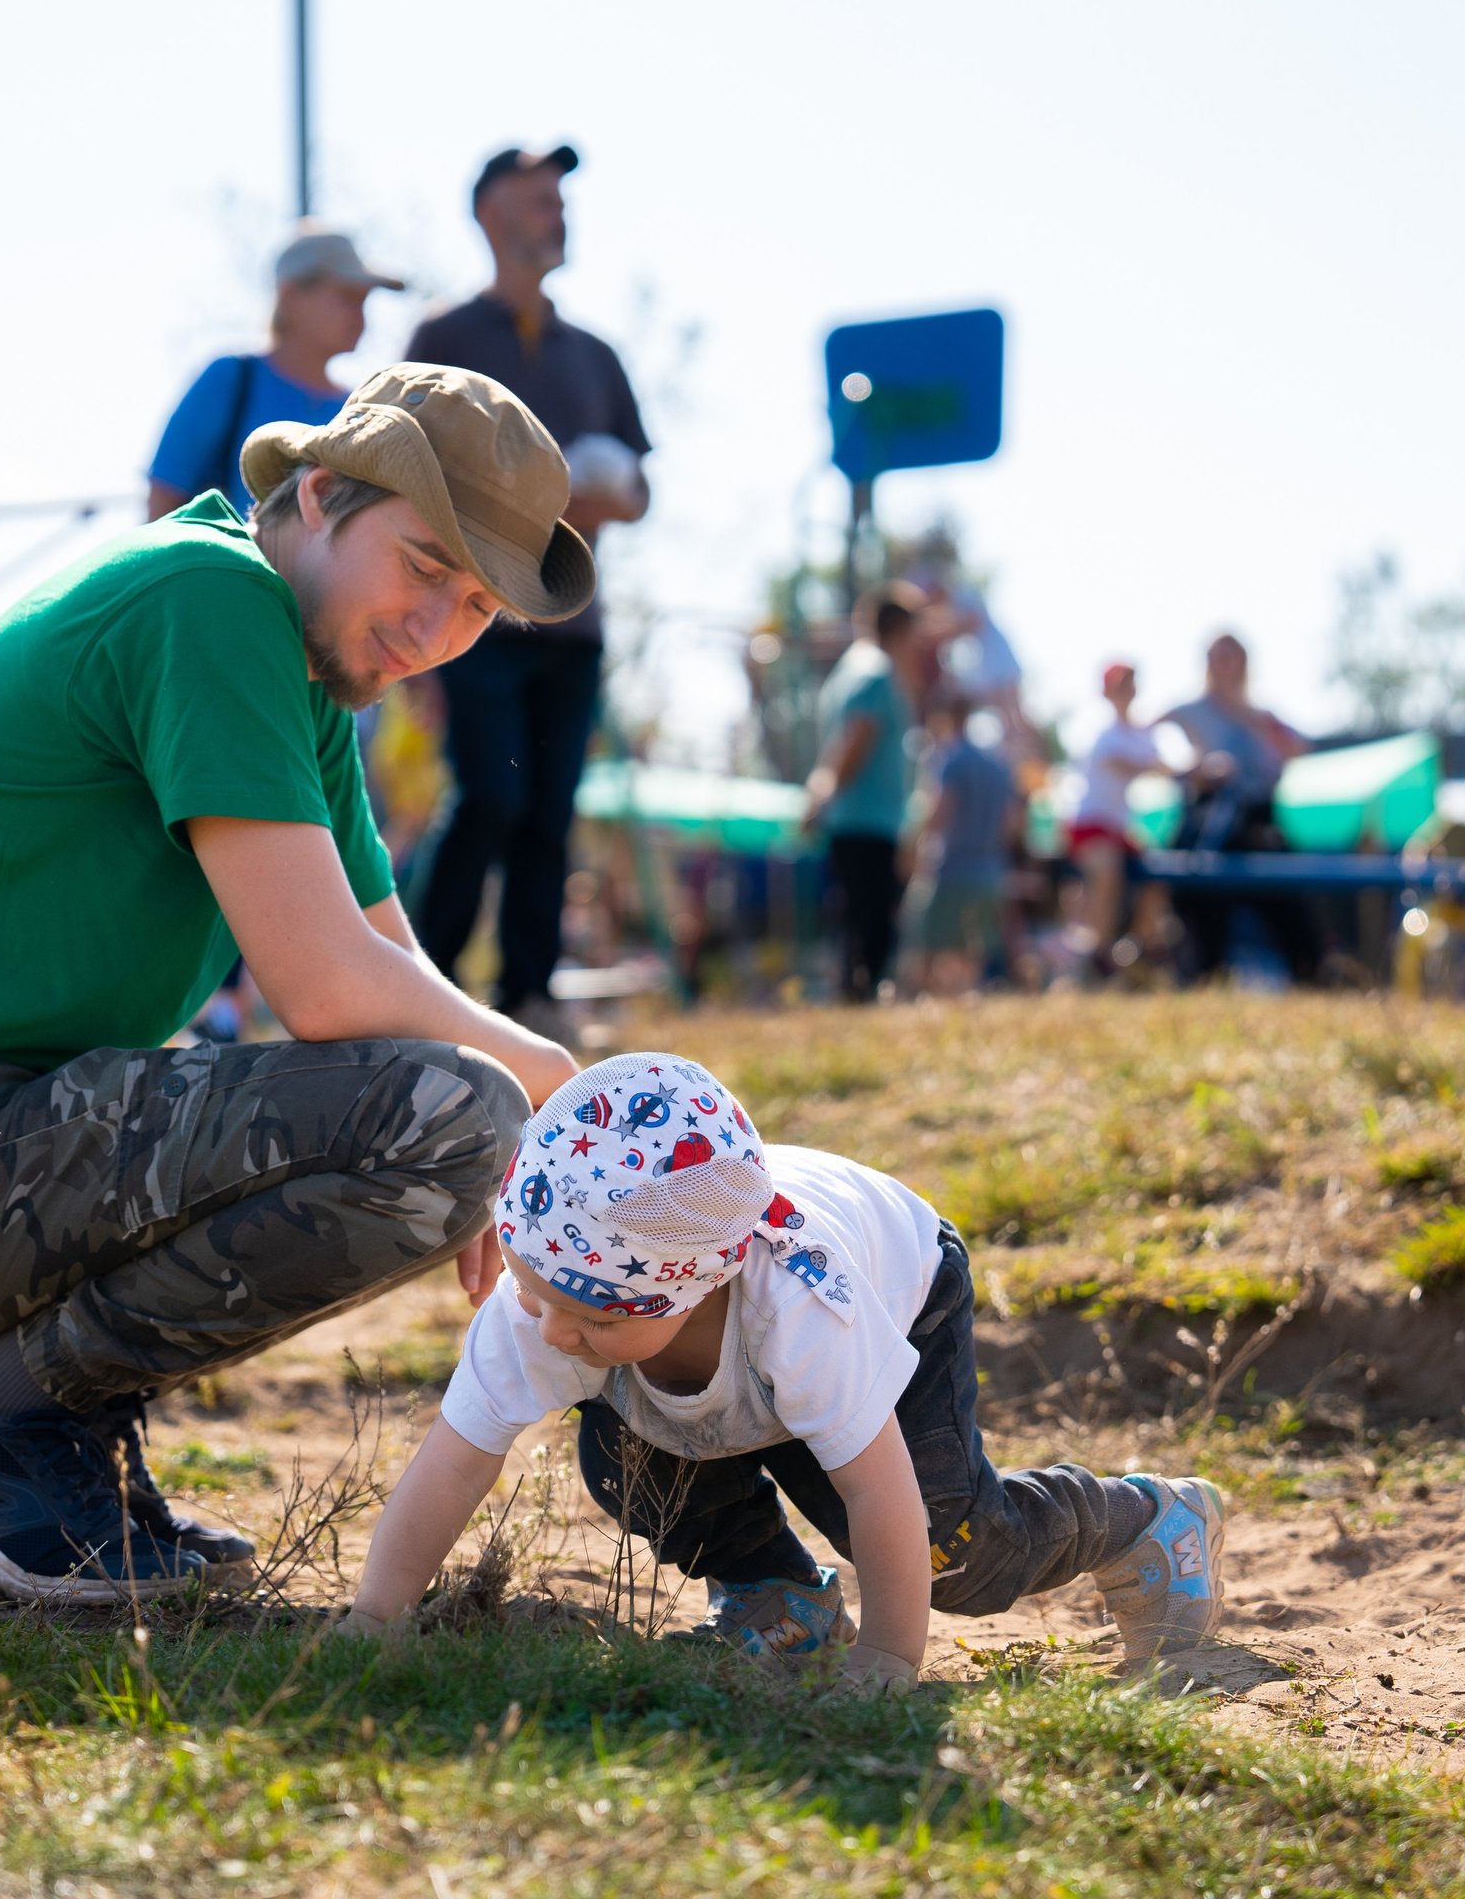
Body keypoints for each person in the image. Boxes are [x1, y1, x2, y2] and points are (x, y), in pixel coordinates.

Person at [0, 364, 593, 1604]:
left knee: (465, 1109)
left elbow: (390, 962)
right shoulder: (212, 598)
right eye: (423, 567)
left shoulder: (301, 667)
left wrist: (518, 1128)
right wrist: (549, 1087)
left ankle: (27, 1427)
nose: (433, 631)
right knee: (453, 1114)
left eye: (474, 607)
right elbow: (324, 985)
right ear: (318, 497)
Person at [333, 1054, 1230, 1692]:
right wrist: (375, 1618)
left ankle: (1146, 1520)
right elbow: (455, 1458)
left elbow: (881, 1492)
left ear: (691, 1288)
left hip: (898, 1280)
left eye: (596, 1316)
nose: (553, 1331)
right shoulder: (557, 1289)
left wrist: (887, 1660)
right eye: (537, 1295)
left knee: (948, 1552)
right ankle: (777, 1598)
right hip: (713, 1360)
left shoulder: (804, 1313)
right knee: (631, 1465)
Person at [405, 146, 651, 1039]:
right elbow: (401, 470)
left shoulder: (597, 355)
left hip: (572, 630)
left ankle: (526, 996)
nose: (559, 211)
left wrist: (605, 498)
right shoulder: (443, 340)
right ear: (489, 214)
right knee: (489, 799)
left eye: (562, 198)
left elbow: (643, 488)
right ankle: (418, 988)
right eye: (540, 197)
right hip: (472, 620)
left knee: (549, 813)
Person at [146, 228, 403, 522]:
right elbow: (162, 503)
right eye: (346, 298)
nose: (359, 315)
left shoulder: (358, 411)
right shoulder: (232, 380)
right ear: (290, 296)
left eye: (363, 301)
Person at [1161, 633, 1318, 985]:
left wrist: (1252, 720)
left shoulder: (1261, 715)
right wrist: (1198, 768)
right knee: (1202, 907)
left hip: (1259, 821)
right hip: (1208, 822)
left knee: (1290, 908)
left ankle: (1311, 976)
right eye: (1217, 656)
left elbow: (1300, 748)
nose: (1225, 664)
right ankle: (1203, 981)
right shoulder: (1188, 711)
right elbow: (1156, 752)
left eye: (1232, 656)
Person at [806, 585, 923, 1001]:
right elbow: (857, 736)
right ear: (903, 629)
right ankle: (860, 996)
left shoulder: (847, 672)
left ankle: (853, 992)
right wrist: (824, 790)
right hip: (870, 819)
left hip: (852, 818)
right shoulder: (876, 672)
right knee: (871, 920)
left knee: (855, 915)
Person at [1068, 664, 1178, 979]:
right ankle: (1097, 951)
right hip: (1087, 821)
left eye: (1130, 682)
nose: (1126, 690)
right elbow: (1128, 763)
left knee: (1160, 872)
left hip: (1117, 826)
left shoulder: (1137, 731)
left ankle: (1139, 944)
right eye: (1120, 684)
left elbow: (1157, 762)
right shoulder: (1097, 725)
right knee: (1106, 872)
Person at [905, 684, 1015, 995]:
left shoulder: (948, 759)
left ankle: (929, 1012)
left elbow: (939, 812)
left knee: (926, 949)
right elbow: (1011, 825)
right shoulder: (997, 765)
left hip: (950, 870)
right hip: (991, 870)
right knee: (973, 953)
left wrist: (912, 847)